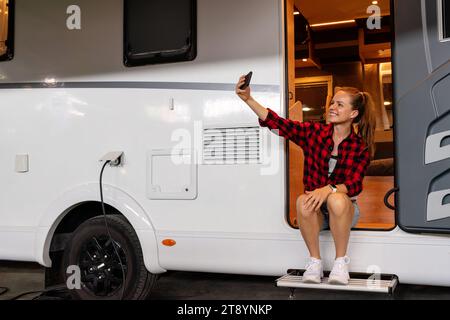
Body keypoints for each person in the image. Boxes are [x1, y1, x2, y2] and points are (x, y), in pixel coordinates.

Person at [235, 75, 376, 285]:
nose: (332, 107)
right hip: (317, 212)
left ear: (353, 114)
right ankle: (315, 262)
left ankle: (340, 263)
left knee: (337, 199)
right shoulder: (314, 133)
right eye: (332, 103)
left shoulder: (360, 146)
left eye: (339, 104)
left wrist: (328, 189)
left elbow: (354, 185)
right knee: (302, 201)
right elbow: (278, 124)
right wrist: (248, 99)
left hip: (344, 211)